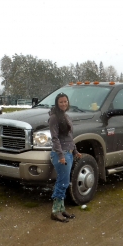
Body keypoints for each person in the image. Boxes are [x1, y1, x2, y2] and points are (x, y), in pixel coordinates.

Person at [49, 92, 82, 223]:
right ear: (57, 103)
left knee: (64, 181)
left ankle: (61, 209)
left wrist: (75, 151)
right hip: (60, 154)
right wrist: (61, 155)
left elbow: (69, 138)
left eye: (65, 101)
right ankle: (55, 211)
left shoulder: (66, 117)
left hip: (68, 153)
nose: (64, 104)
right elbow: (55, 138)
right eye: (61, 102)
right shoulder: (54, 118)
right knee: (62, 182)